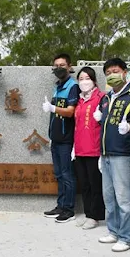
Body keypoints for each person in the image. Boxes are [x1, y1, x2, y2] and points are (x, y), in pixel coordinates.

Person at [93, 58, 130, 252]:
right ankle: (113, 231)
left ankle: (126, 237)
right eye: (108, 72)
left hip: (123, 155)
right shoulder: (106, 97)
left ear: (125, 72)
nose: (112, 75)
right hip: (106, 154)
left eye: (116, 71)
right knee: (109, 197)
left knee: (124, 198)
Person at [41, 53, 80, 223]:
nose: (59, 68)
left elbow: (71, 112)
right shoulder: (57, 86)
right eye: (56, 65)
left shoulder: (73, 86)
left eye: (62, 65)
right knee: (59, 174)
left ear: (69, 66)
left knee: (67, 174)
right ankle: (61, 204)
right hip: (56, 139)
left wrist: (52, 108)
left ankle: (69, 209)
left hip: (66, 139)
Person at [72, 67, 105, 230]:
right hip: (79, 149)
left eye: (87, 78)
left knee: (95, 185)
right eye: (81, 79)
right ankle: (88, 213)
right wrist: (73, 147)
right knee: (84, 184)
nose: (84, 82)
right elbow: (77, 125)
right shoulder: (79, 101)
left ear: (93, 80)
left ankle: (95, 216)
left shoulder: (101, 98)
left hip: (94, 149)